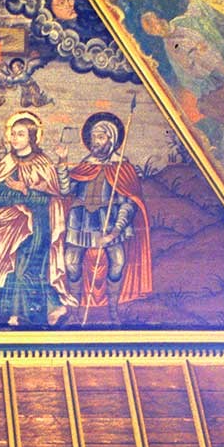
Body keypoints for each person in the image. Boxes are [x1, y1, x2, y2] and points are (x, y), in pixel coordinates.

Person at [0, 110, 75, 328]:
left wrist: (26, 190)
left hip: (39, 225)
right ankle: (39, 310)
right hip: (12, 228)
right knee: (15, 267)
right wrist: (18, 194)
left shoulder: (42, 163)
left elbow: (51, 196)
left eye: (20, 134)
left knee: (28, 266)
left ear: (31, 137)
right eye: (13, 134)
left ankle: (23, 314)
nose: (14, 138)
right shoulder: (6, 163)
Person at [56, 111, 152, 321]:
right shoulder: (85, 166)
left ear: (112, 139)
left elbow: (128, 204)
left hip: (109, 223)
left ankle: (113, 311)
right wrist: (62, 162)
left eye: (100, 137)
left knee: (118, 261)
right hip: (80, 221)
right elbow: (65, 190)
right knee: (71, 263)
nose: (95, 142)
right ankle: (75, 312)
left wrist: (114, 231)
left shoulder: (122, 168)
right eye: (93, 137)